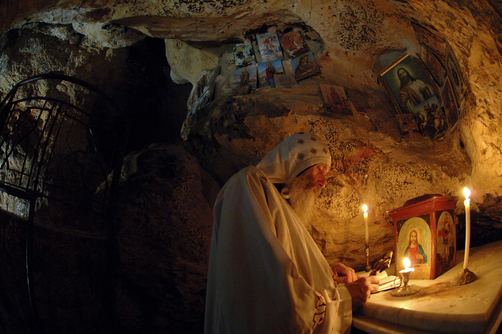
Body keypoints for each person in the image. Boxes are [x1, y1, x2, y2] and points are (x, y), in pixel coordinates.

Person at [205, 133, 379, 334]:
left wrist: (324, 275)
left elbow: (278, 266)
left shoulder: (277, 200)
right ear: (297, 161)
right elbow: (268, 296)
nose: (323, 183)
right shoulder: (248, 184)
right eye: (320, 169)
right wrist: (345, 297)